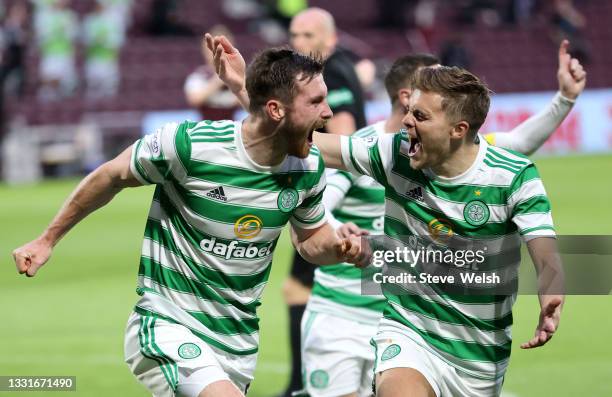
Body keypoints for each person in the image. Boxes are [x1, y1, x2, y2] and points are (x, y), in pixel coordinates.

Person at [206, 35, 584, 397]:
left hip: (480, 353)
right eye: (408, 111)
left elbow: (541, 241)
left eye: (420, 115)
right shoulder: (393, 154)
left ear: (458, 130)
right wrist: (250, 93)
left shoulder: (512, 174)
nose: (406, 122)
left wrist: (552, 284)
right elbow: (308, 140)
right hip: (407, 332)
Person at [12, 48, 369, 397]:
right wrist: (46, 240)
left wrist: (338, 246)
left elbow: (310, 240)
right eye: (316, 101)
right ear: (276, 109)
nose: (328, 112)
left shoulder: (306, 168)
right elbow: (111, 176)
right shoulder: (190, 147)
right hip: (169, 325)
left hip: (238, 342)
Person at [184, 25, 239, 120]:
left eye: (223, 49)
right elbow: (194, 99)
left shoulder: (238, 75)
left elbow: (249, 100)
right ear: (205, 50)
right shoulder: (199, 75)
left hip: (231, 129)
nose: (217, 53)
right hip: (206, 129)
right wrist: (218, 81)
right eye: (213, 49)